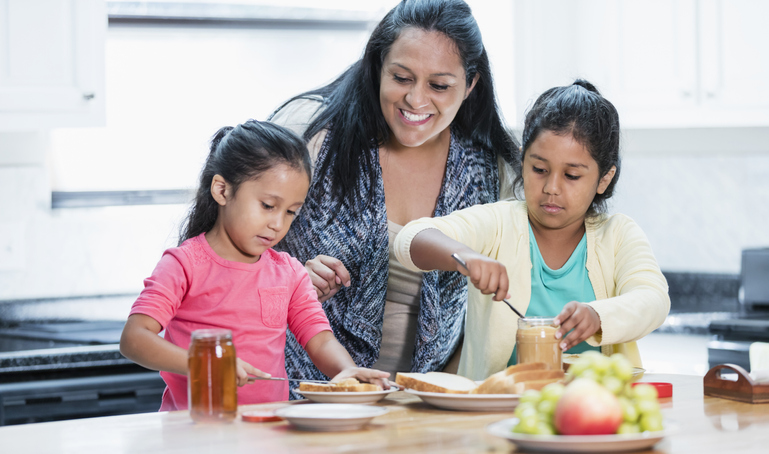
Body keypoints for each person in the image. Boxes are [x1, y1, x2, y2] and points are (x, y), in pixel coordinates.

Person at [269, 0, 518, 391]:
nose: (416, 101)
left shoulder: (490, 170)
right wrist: (289, 277)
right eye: (402, 77)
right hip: (299, 398)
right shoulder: (312, 132)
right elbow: (225, 251)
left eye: (439, 85)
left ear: (470, 85)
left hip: (420, 407)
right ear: (378, 67)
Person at [393, 80, 670, 380]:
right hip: (499, 413)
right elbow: (411, 239)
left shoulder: (619, 235)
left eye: (572, 175)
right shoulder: (500, 223)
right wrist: (465, 256)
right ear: (523, 161)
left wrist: (597, 316)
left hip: (596, 410)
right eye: (539, 169)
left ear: (604, 179)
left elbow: (654, 299)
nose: (551, 188)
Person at [119, 120, 388, 410]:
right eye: (268, 206)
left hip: (267, 432)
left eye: (290, 212)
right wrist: (208, 363)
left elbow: (320, 341)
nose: (277, 224)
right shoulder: (184, 264)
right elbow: (134, 339)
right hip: (193, 432)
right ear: (222, 190)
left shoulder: (290, 273)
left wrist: (345, 371)